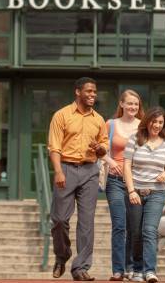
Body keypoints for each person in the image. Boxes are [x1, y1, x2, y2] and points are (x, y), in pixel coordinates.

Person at [48, 77, 109, 281]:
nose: (93, 95)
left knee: (86, 222)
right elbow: (54, 146)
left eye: (95, 92)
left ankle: (80, 267)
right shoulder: (62, 115)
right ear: (78, 92)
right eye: (89, 91)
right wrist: (58, 171)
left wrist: (99, 149)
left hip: (90, 170)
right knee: (59, 220)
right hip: (65, 167)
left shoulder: (98, 119)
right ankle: (62, 255)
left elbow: (103, 146)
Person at [124, 106, 165, 283]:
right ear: (148, 122)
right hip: (135, 191)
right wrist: (131, 190)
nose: (158, 125)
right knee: (136, 232)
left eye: (161, 122)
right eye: (155, 121)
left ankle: (150, 270)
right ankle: (137, 270)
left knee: (150, 231)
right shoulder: (135, 140)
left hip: (157, 193)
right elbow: (127, 166)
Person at [104, 90, 144, 281]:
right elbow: (98, 148)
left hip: (136, 181)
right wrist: (110, 161)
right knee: (119, 225)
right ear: (121, 104)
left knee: (134, 227)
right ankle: (118, 269)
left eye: (136, 104)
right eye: (129, 103)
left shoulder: (143, 126)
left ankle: (131, 266)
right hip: (114, 181)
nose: (133, 107)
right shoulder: (111, 124)